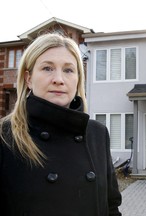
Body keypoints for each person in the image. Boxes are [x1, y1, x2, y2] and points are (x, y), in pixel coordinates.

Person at [0, 33, 122, 216]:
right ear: (28, 79)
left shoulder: (97, 134)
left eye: (68, 70)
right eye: (48, 68)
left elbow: (111, 207)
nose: (59, 79)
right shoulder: (5, 136)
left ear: (78, 79)